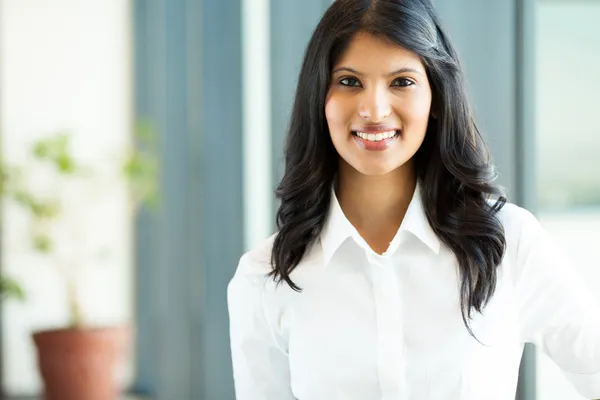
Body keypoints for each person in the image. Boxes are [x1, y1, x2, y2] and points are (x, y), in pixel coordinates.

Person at [227, 0, 600, 399]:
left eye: (401, 82)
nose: (374, 109)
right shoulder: (264, 278)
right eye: (349, 81)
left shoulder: (509, 243)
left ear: (436, 97)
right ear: (320, 97)